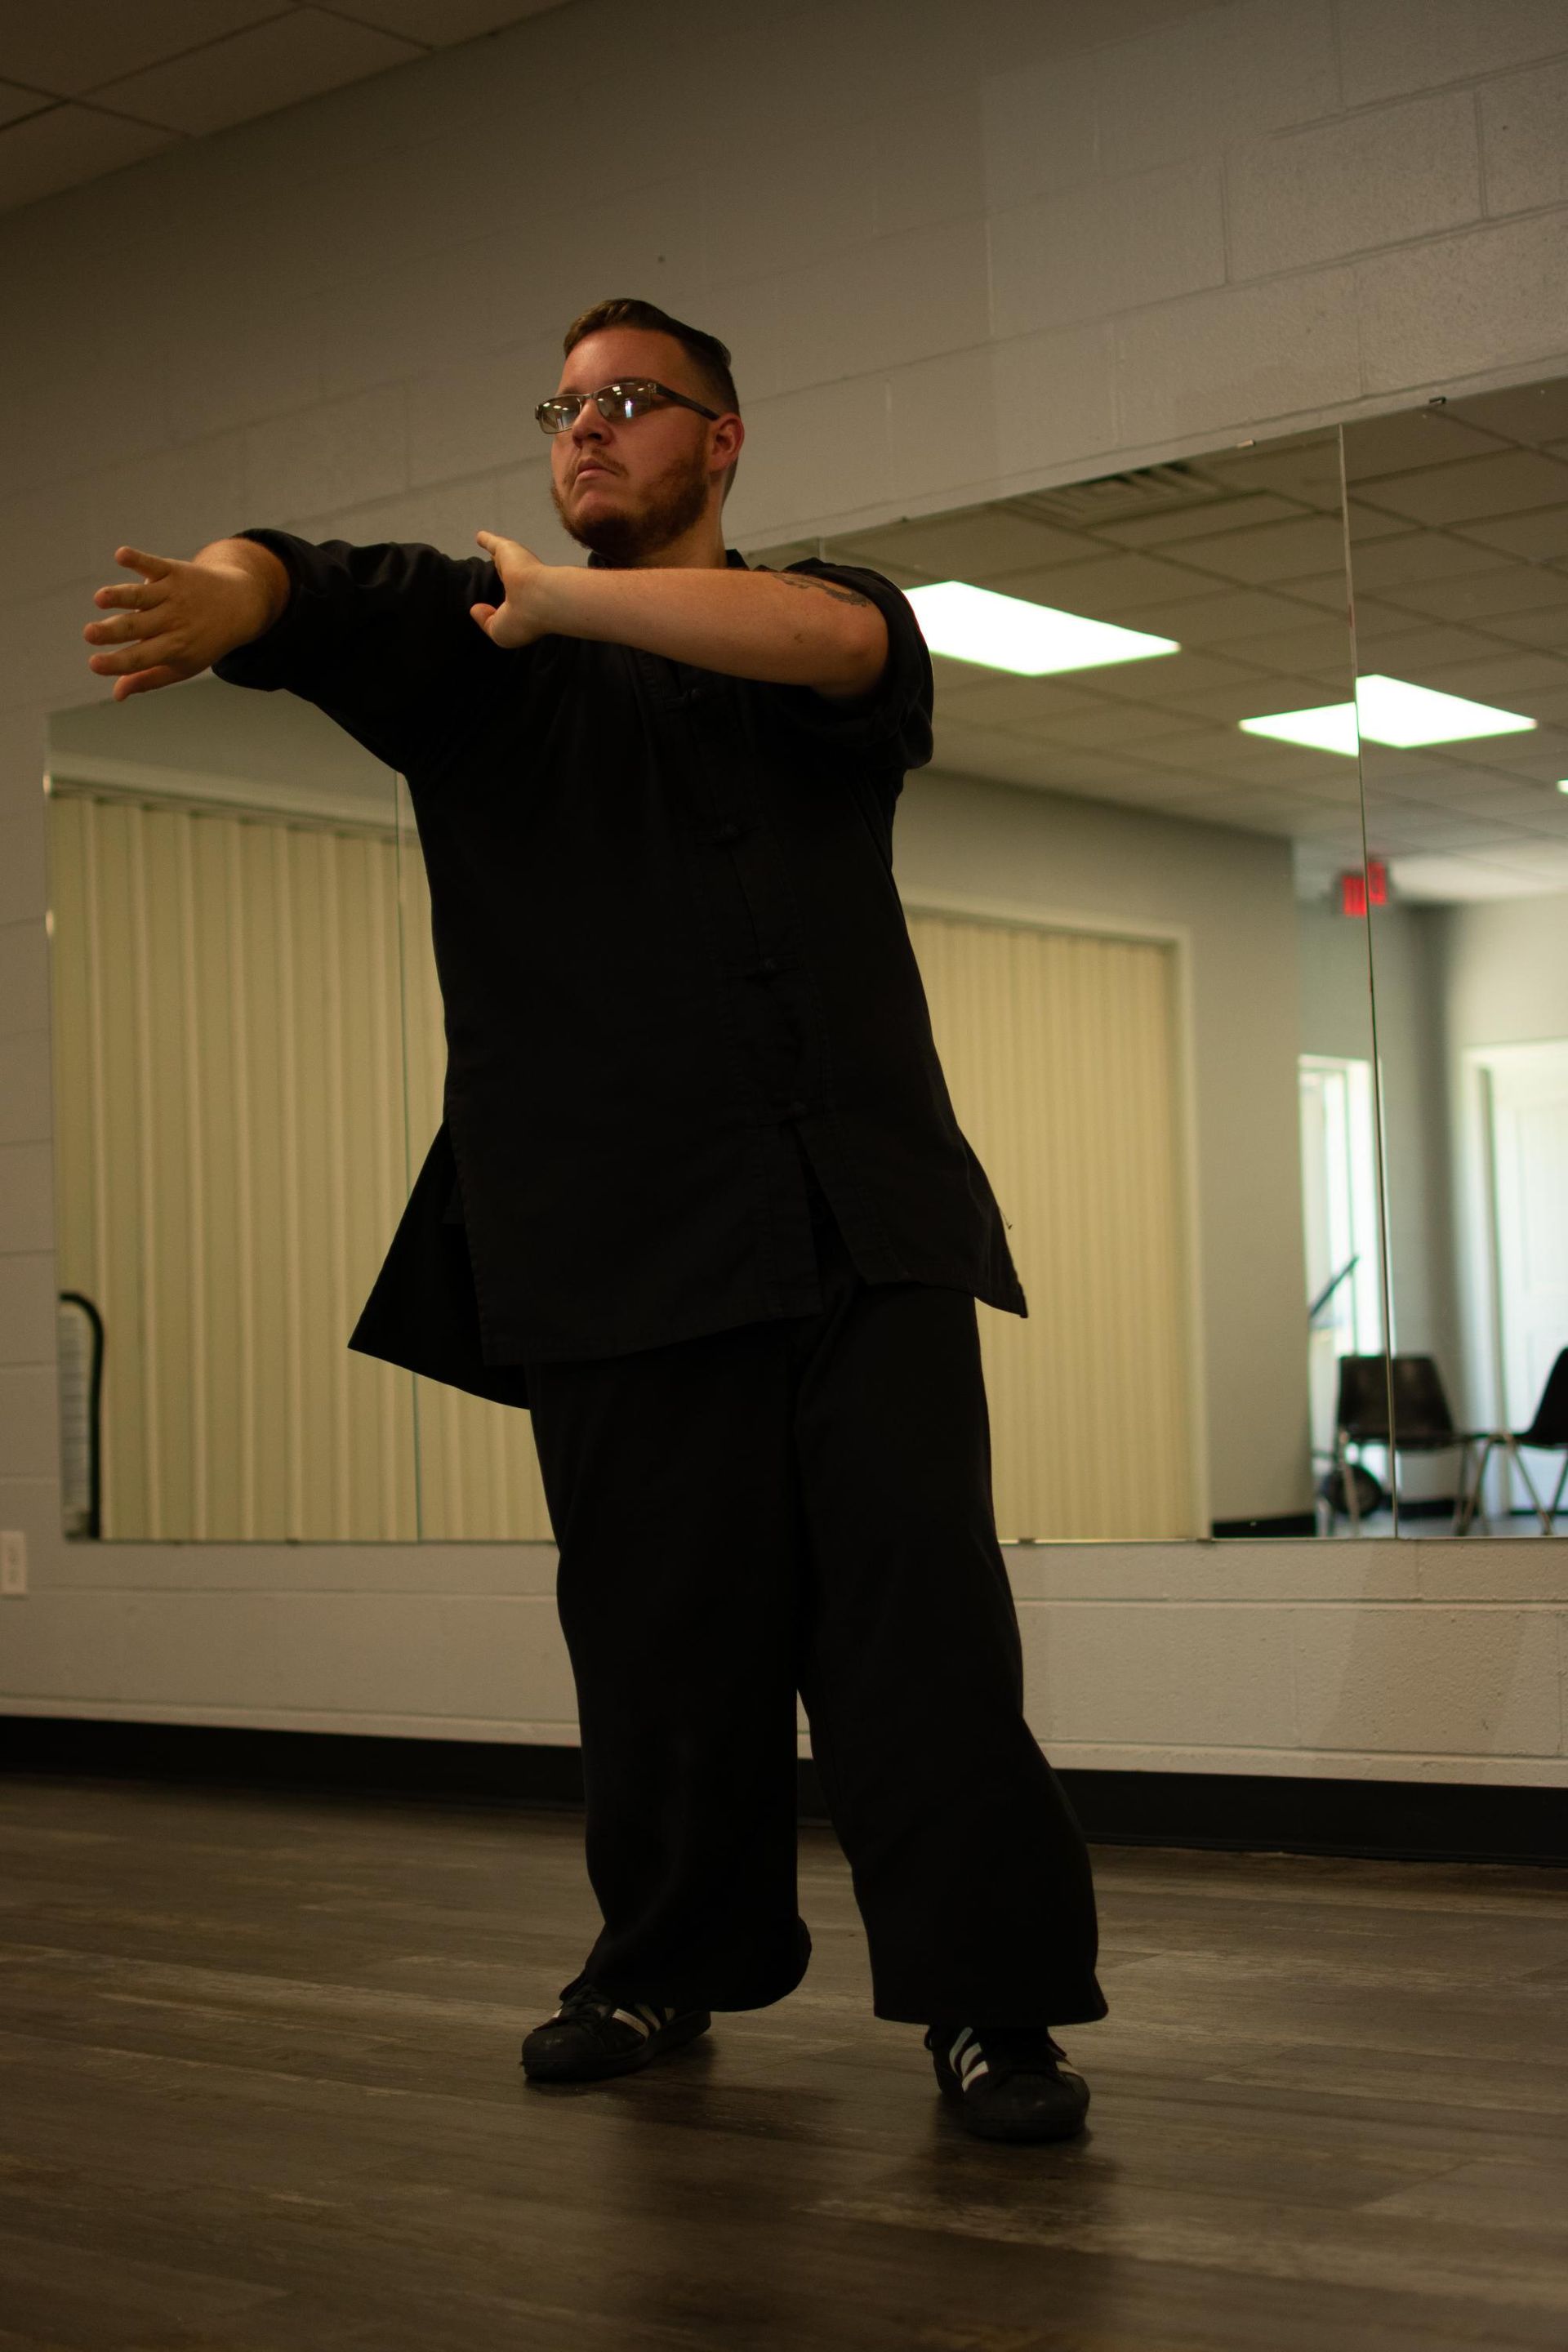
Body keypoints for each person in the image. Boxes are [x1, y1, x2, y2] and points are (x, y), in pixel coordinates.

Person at [82, 296, 1107, 2144]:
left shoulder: (814, 633)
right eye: (561, 406)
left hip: (862, 1228)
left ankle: (992, 2010)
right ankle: (659, 1964)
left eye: (632, 402)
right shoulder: (487, 672)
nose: (585, 431)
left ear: (723, 441)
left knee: (923, 1631)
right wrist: (239, 589)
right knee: (659, 1640)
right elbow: (322, 581)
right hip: (611, 1239)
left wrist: (556, 597)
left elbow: (833, 635)